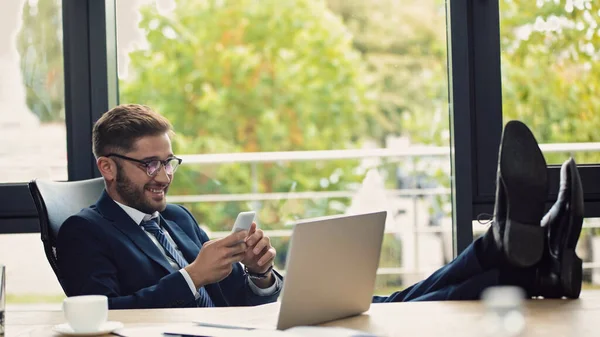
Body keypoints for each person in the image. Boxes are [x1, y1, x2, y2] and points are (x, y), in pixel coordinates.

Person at [57, 105, 583, 309]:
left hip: (255, 322)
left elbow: (241, 297)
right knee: (397, 309)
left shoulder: (175, 216)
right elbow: (101, 319)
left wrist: (259, 272)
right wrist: (193, 277)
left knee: (396, 301)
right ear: (109, 167)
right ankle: (525, 257)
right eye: (149, 165)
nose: (164, 177)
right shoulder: (86, 231)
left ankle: (529, 264)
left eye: (169, 162)